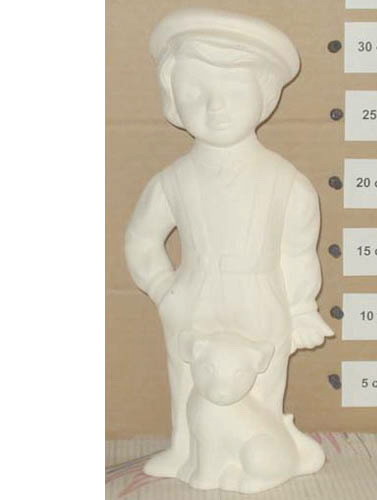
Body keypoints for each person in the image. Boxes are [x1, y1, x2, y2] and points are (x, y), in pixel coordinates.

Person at [125, 8, 334, 478]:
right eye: (195, 91)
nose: (215, 106)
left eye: (233, 90)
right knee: (188, 376)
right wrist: (163, 288)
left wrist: (300, 307)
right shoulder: (173, 181)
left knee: (260, 382)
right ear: (173, 98)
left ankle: (264, 454)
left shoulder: (287, 183)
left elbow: (297, 253)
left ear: (264, 96)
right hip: (193, 291)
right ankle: (186, 448)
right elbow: (141, 238)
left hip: (261, 295)